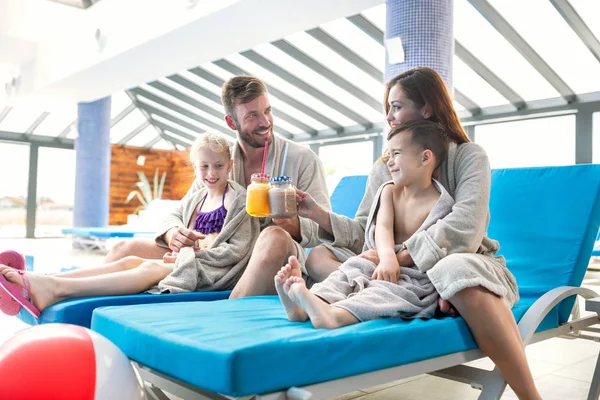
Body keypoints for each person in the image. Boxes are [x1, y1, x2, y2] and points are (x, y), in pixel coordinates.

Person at [299, 67, 541, 400]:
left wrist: (397, 258)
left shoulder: (469, 156)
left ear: (427, 107)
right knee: (317, 256)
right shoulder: (385, 167)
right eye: (388, 107)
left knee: (451, 270)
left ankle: (531, 396)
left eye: (396, 106)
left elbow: (466, 227)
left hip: (458, 259)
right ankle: (416, 293)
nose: (389, 116)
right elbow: (364, 230)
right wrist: (319, 215)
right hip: (390, 264)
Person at [105, 75, 330, 298]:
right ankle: (96, 323)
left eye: (267, 111)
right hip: (214, 258)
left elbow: (322, 229)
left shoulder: (302, 159)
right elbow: (180, 210)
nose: (265, 122)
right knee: (123, 250)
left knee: (273, 236)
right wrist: (173, 233)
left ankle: (228, 312)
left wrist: (288, 221)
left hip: (260, 259)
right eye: (252, 115)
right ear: (231, 123)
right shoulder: (219, 161)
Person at [0, 133, 259, 316]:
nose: (211, 173)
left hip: (214, 272)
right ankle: (43, 279)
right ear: (195, 166)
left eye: (218, 166)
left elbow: (238, 251)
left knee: (146, 267)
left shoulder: (240, 200)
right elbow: (171, 217)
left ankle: (57, 290)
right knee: (128, 261)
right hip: (188, 260)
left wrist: (188, 255)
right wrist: (174, 238)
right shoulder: (197, 197)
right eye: (204, 167)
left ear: (230, 166)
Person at [276, 120, 454, 328]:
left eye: (396, 154)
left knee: (388, 292)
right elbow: (383, 227)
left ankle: (336, 315)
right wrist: (387, 258)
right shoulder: (389, 191)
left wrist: (395, 263)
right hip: (378, 260)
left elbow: (436, 247)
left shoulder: (441, 204)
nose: (389, 162)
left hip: (412, 273)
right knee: (348, 272)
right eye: (389, 154)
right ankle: (305, 306)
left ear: (425, 158)